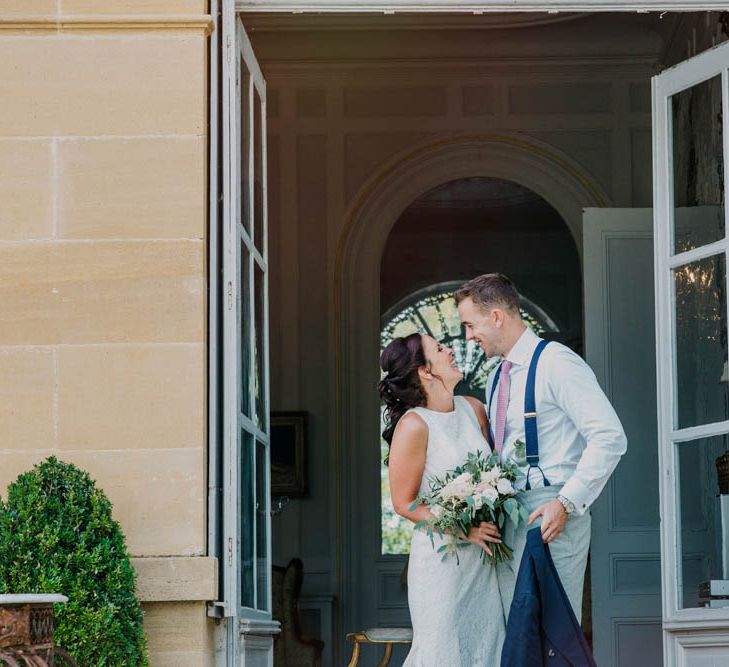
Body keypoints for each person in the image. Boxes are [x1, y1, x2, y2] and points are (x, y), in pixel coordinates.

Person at [455, 273, 627, 625]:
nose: (468, 336)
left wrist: (565, 503)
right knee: (517, 636)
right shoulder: (495, 378)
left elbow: (610, 437)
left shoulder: (557, 363)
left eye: (470, 325)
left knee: (554, 635)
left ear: (497, 317)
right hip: (509, 517)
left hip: (552, 514)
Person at [379, 332, 505, 666]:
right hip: (442, 563)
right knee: (442, 654)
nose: (449, 349)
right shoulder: (414, 426)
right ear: (424, 371)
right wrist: (464, 530)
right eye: (439, 348)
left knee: (488, 650)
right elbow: (404, 504)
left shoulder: (474, 409)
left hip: (484, 562)